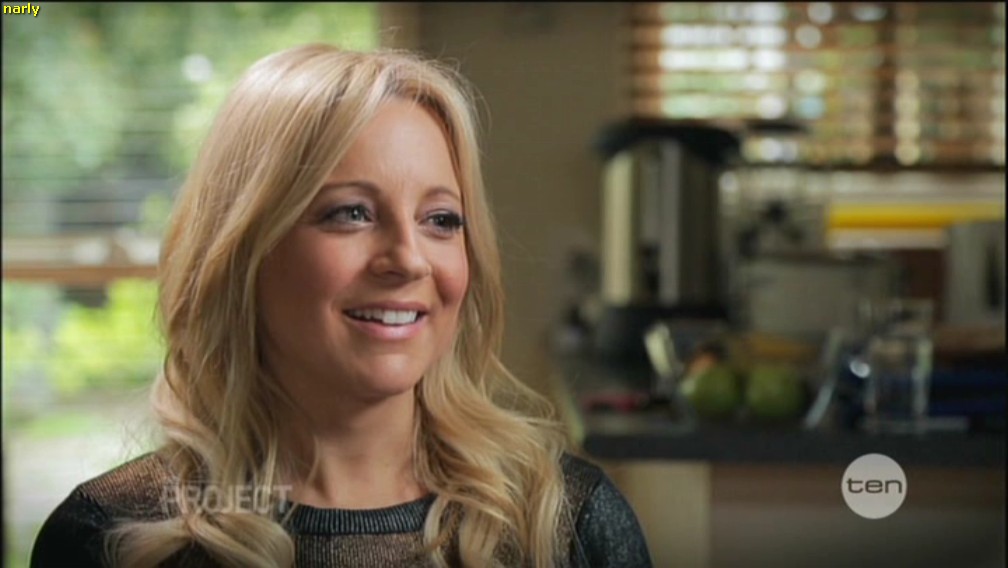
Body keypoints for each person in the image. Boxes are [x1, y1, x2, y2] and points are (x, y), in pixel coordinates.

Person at [30, 43, 652, 568]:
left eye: (440, 219)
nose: (408, 259)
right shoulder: (105, 538)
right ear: (244, 251)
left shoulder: (568, 523)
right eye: (351, 213)